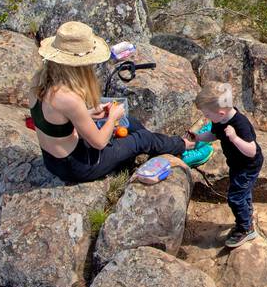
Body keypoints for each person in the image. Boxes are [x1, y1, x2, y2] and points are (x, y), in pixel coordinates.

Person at [30, 20, 199, 184]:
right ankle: (183, 145)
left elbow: (56, 122)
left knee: (130, 123)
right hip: (79, 166)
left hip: (52, 161)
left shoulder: (39, 81)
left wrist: (89, 114)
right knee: (142, 138)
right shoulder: (69, 98)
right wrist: (112, 117)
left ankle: (159, 146)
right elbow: (99, 143)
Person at [191, 82, 263, 245]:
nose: (206, 118)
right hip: (237, 164)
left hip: (248, 166)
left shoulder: (240, 124)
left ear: (221, 112)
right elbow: (214, 134)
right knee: (242, 191)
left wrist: (235, 138)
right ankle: (248, 214)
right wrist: (198, 137)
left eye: (207, 115)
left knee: (235, 198)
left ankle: (246, 228)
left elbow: (251, 150)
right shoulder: (220, 119)